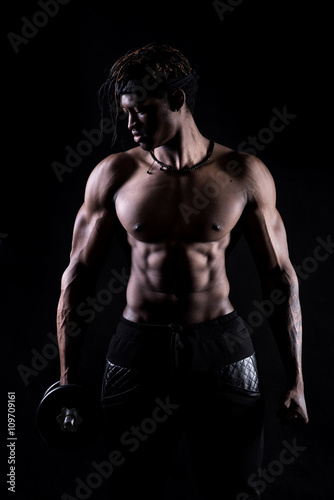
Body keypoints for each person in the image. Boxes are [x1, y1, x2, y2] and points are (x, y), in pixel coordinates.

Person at [56, 44, 308, 499]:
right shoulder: (114, 175)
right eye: (125, 112)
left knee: (236, 489)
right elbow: (78, 279)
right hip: (138, 350)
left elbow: (279, 278)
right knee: (131, 490)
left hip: (221, 348)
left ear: (177, 101)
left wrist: (296, 379)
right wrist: (67, 377)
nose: (130, 124)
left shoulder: (243, 173)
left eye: (142, 111)